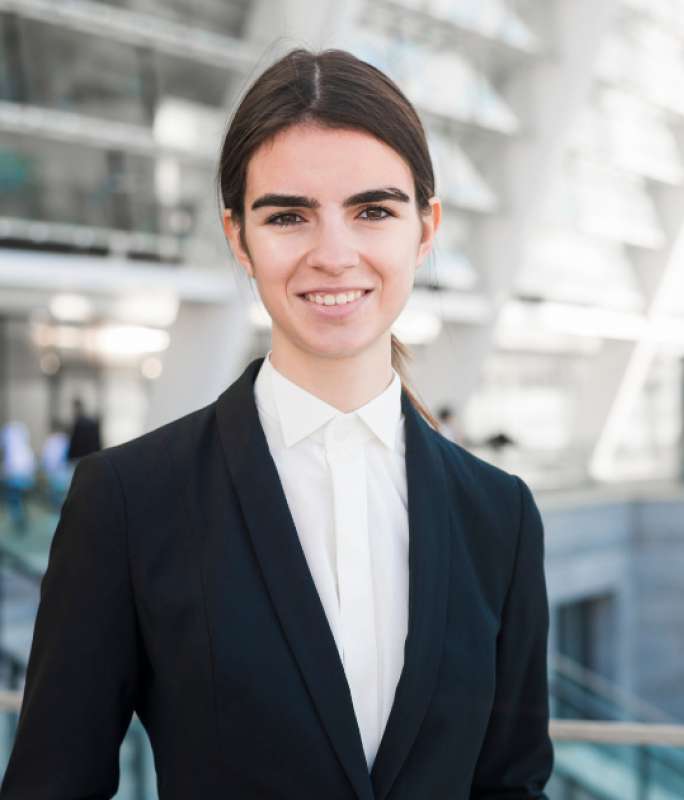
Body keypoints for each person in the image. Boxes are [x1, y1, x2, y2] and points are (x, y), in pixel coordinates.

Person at [1, 49, 552, 799]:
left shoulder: (501, 515)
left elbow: (509, 784)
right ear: (238, 237)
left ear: (427, 230)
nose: (333, 254)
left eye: (373, 210)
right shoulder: (129, 502)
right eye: (289, 215)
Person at [1, 422, 36, 533]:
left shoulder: (7, 434)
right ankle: (21, 521)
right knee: (19, 499)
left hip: (15, 474)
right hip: (26, 472)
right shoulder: (18, 431)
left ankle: (18, 523)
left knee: (14, 499)